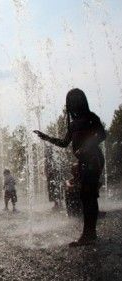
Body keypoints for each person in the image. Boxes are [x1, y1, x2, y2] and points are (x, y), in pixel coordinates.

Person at [34, 88, 105, 247]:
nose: (73, 104)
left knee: (88, 196)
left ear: (82, 101)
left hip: (93, 159)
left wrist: (87, 147)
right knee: (86, 196)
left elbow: (102, 135)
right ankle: (90, 233)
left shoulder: (91, 118)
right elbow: (64, 143)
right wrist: (46, 137)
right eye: (71, 102)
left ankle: (88, 234)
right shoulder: (73, 124)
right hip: (84, 161)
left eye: (75, 101)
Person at [44, 146, 61, 211]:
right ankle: (57, 203)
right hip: (53, 177)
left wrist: (47, 173)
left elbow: (48, 169)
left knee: (54, 189)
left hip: (52, 177)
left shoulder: (50, 159)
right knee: (54, 189)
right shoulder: (52, 159)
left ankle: (57, 203)